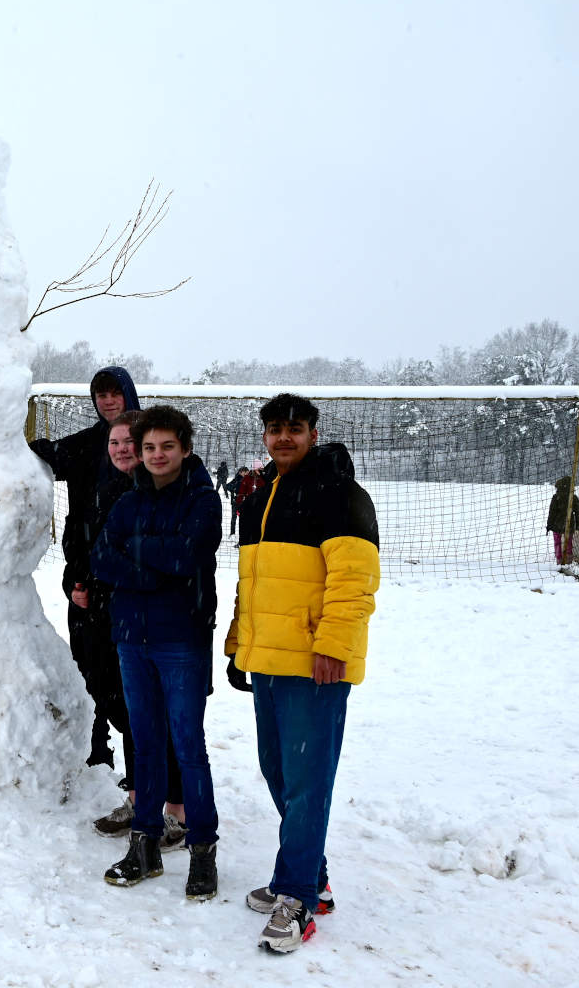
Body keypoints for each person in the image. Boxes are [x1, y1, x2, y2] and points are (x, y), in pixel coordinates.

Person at [224, 393, 379, 954]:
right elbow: (252, 584)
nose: (283, 437)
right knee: (278, 772)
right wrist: (239, 644)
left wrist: (333, 646)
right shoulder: (261, 494)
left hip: (316, 664)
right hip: (268, 658)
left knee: (308, 781)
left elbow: (354, 581)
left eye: (294, 428)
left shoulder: (341, 493)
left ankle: (298, 898)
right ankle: (312, 875)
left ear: (313, 433)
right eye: (274, 428)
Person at [91, 406, 222, 902]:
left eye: (167, 446)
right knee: (145, 744)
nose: (157, 455)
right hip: (131, 637)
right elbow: (102, 558)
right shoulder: (128, 501)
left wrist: (135, 551)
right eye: (149, 447)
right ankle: (144, 844)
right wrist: (154, 569)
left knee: (188, 746)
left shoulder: (203, 500)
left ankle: (202, 847)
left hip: (181, 640)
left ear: (185, 448)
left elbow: (189, 556)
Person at [28, 365, 142, 769]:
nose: (108, 401)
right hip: (83, 579)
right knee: (89, 671)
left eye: (115, 393)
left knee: (131, 683)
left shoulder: (151, 447)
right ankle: (96, 753)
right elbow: (46, 452)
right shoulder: (87, 444)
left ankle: (141, 771)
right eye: (101, 395)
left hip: (130, 588)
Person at [86, 412, 187, 848]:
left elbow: (176, 560)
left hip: (169, 625)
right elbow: (99, 553)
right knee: (134, 716)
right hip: (120, 620)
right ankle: (139, 797)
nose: (122, 449)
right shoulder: (113, 489)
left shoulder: (171, 491)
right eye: (115, 443)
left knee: (169, 719)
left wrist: (133, 565)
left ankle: (178, 811)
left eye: (131, 442)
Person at [546, 476, 579, 565]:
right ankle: (568, 560)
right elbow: (578, 513)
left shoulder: (556, 497)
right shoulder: (574, 497)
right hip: (570, 524)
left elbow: (552, 512)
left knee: (557, 542)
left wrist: (549, 525)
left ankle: (559, 559)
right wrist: (578, 524)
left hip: (557, 524)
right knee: (569, 542)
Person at [229, 465, 260, 537]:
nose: (247, 474)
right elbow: (228, 486)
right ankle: (232, 533)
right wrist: (235, 492)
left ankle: (243, 534)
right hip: (236, 501)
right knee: (234, 518)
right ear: (241, 472)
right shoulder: (237, 479)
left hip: (243, 502)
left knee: (244, 518)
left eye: (248, 472)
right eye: (246, 472)